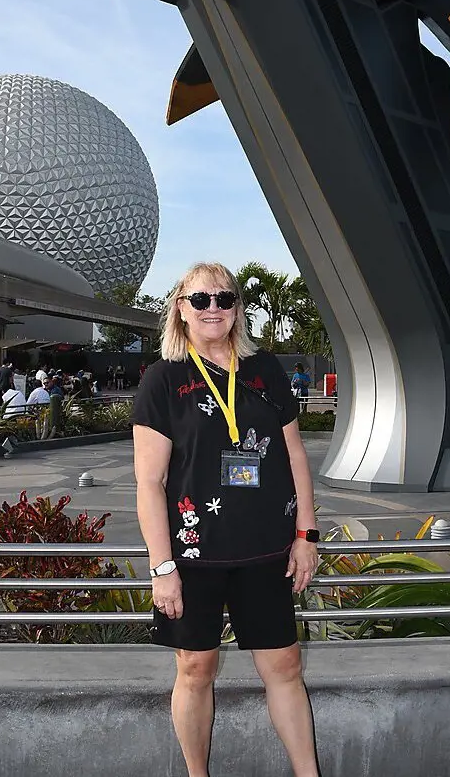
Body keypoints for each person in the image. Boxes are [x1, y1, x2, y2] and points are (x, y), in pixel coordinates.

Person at [133, 262, 320, 777]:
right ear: (180, 309)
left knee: (284, 666)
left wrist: (306, 534)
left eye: (224, 298)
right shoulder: (164, 380)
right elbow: (150, 482)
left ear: (238, 308)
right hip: (194, 553)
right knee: (196, 669)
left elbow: (295, 454)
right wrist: (161, 567)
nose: (213, 308)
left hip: (266, 548)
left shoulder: (266, 371)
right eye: (200, 300)